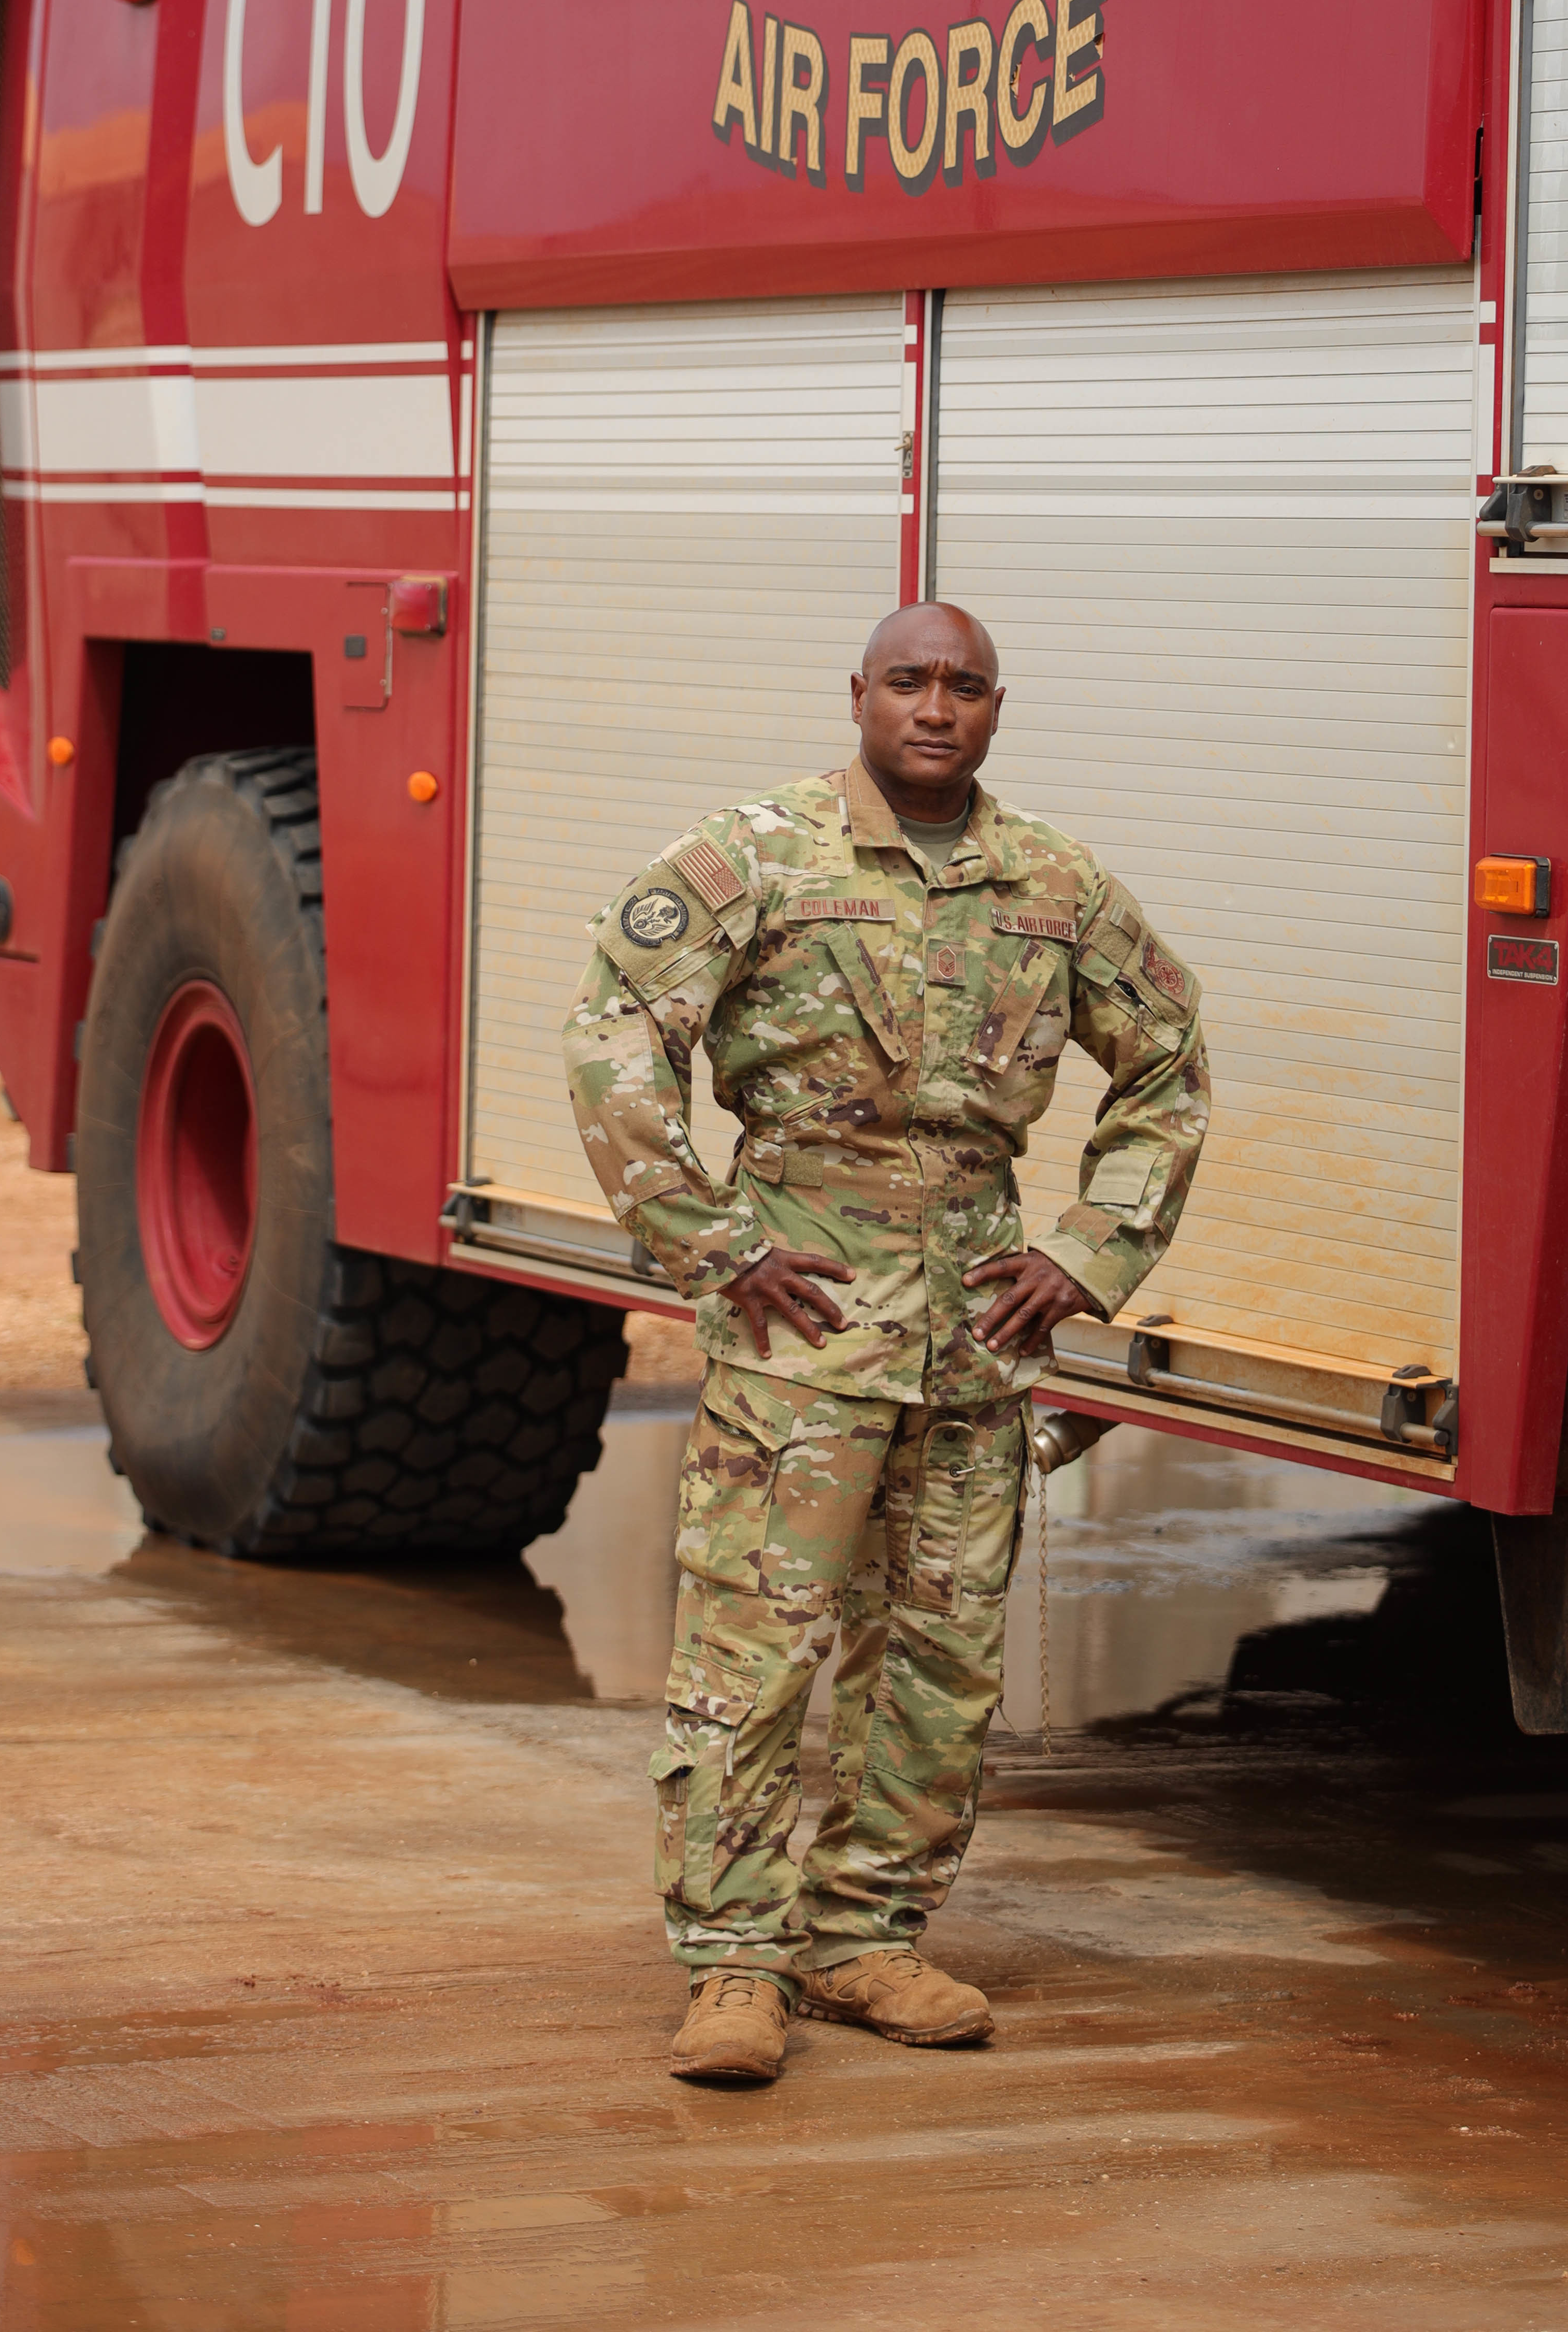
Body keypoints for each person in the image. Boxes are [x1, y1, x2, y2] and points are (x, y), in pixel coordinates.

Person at [565, 601, 1211, 2085]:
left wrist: (1087, 1248)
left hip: (976, 1328)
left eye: (965, 686)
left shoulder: (1050, 883)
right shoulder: (758, 857)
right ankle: (731, 1967)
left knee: (939, 1654)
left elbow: (1169, 1059)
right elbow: (614, 1031)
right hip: (809, 1322)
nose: (936, 707)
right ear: (855, 692)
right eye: (909, 681)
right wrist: (711, 1240)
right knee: (754, 1648)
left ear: (998, 707)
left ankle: (863, 1938)